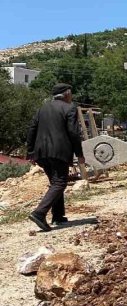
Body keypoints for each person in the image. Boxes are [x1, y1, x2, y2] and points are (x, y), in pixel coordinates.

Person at [25, 83, 84, 232]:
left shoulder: (43, 108)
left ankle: (58, 215)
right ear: (66, 94)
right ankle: (39, 213)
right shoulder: (70, 108)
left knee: (55, 181)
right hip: (59, 151)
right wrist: (80, 154)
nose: (72, 96)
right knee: (60, 182)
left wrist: (30, 151)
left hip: (41, 152)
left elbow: (32, 128)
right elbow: (73, 132)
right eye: (71, 93)